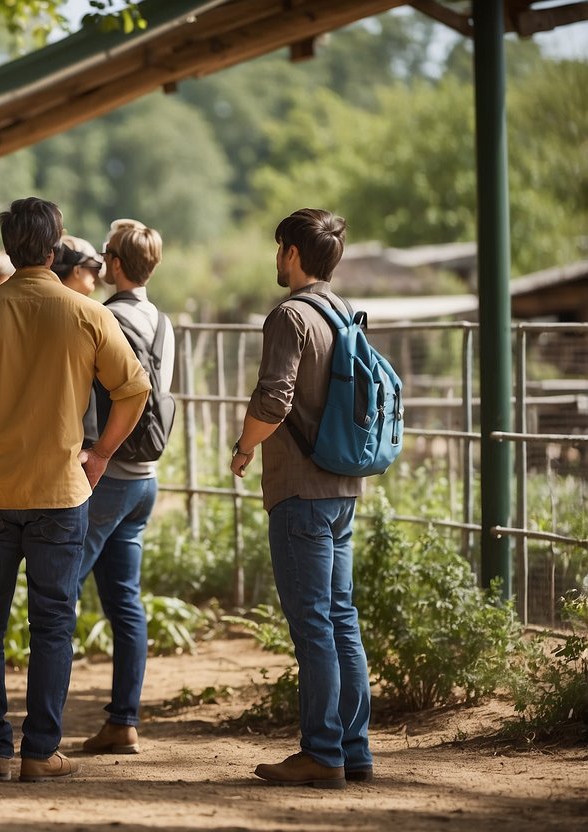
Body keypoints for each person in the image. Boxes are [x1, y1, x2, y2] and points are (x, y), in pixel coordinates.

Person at [0, 197, 150, 783]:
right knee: (52, 622)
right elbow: (134, 391)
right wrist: (101, 452)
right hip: (62, 490)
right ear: (54, 248)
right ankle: (40, 752)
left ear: (10, 249)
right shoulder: (84, 312)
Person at [231, 208, 372, 789]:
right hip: (342, 486)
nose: (276, 255)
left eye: (278, 246)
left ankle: (321, 753)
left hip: (300, 490)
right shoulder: (345, 313)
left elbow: (273, 399)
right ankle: (353, 749)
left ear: (292, 252)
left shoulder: (290, 315)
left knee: (313, 623)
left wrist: (242, 449)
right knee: (341, 619)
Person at [76, 219, 174, 755]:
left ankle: (42, 716)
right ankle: (123, 720)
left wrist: (95, 453)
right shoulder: (163, 322)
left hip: (105, 473)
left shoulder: (103, 317)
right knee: (125, 603)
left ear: (115, 264)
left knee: (59, 589)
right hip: (146, 480)